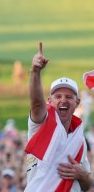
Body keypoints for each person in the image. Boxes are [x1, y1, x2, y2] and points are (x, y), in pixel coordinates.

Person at [24, 42, 91, 191]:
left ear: (77, 102)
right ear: (49, 101)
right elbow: (36, 103)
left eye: (69, 96)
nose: (63, 100)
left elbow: (87, 187)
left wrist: (82, 175)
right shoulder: (41, 124)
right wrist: (35, 72)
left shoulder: (79, 138)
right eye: (58, 96)